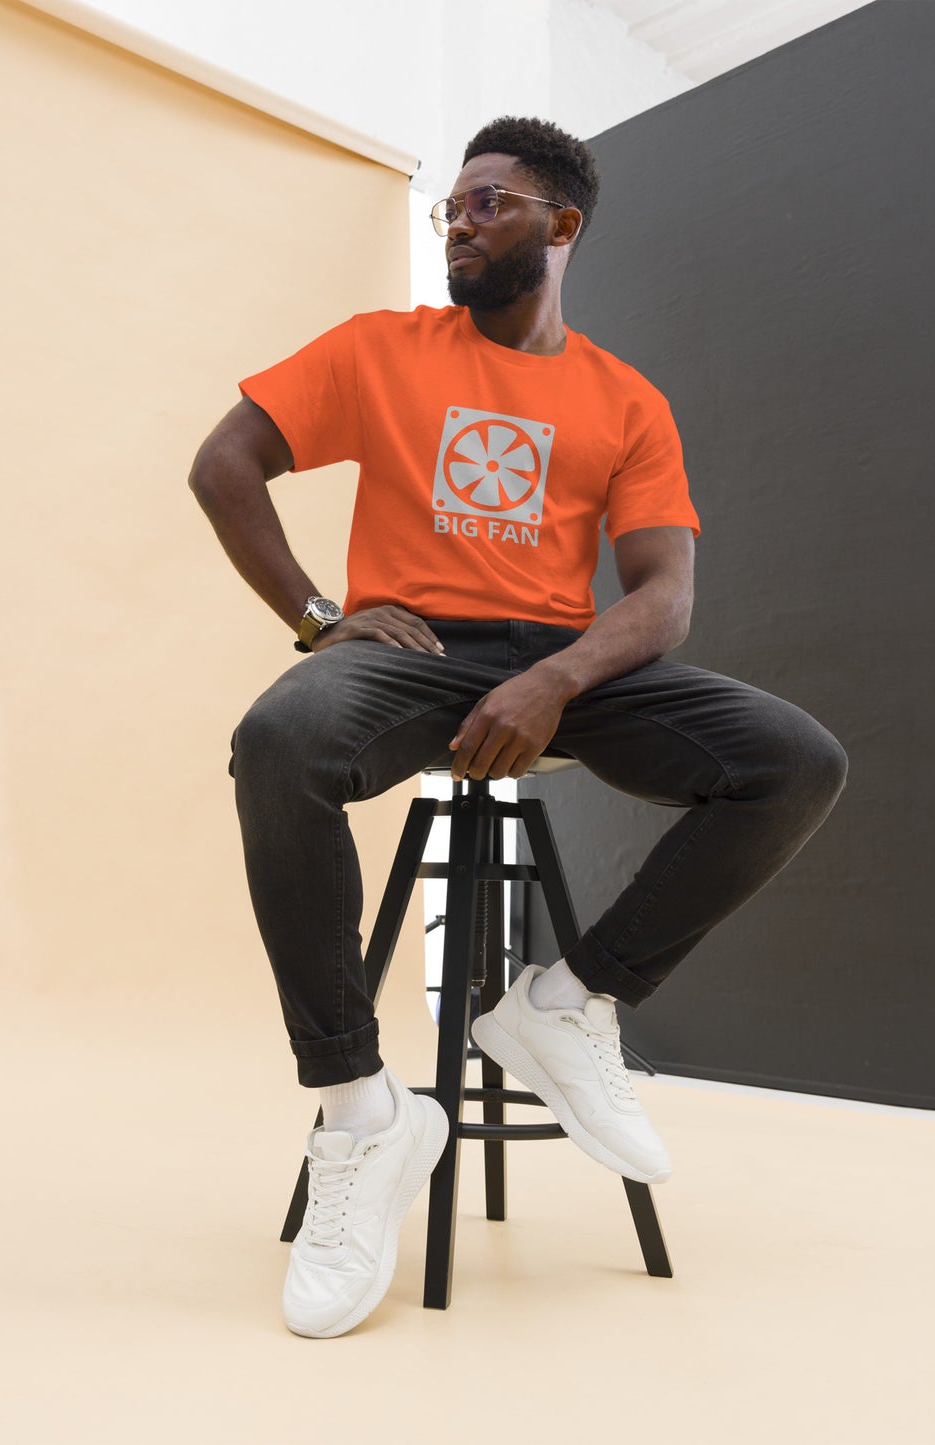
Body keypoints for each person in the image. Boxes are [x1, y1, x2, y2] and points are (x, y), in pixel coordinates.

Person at [189, 116, 847, 1338]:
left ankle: (565, 1000)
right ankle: (360, 1111)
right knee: (278, 744)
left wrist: (555, 680)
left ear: (560, 224)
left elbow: (661, 596)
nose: (457, 220)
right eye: (449, 205)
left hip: (561, 658)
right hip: (412, 652)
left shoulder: (622, 399)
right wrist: (322, 616)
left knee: (793, 760)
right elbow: (224, 461)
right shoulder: (379, 349)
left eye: (486, 203)